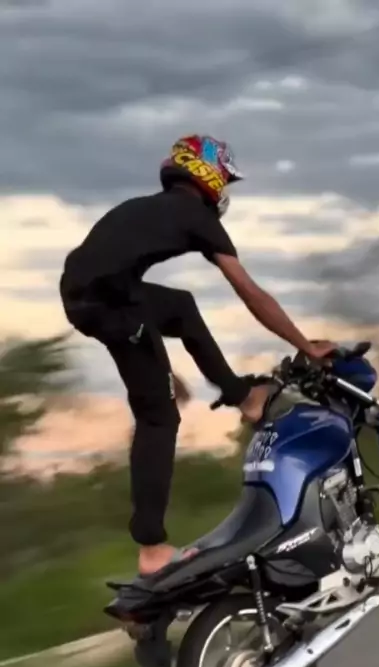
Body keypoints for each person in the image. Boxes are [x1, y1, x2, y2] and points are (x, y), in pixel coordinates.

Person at [59, 134, 336, 576]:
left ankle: (242, 396)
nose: (225, 189)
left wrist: (155, 360)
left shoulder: (150, 207)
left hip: (96, 295)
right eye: (224, 179)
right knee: (159, 417)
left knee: (180, 307)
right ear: (209, 175)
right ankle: (152, 549)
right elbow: (249, 291)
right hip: (109, 304)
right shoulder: (196, 217)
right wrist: (306, 346)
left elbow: (106, 275)